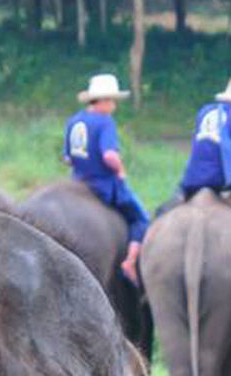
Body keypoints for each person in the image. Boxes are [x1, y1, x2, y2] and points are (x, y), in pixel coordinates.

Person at [65, 73, 149, 283]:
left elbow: (68, 158)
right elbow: (109, 155)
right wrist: (120, 170)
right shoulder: (105, 122)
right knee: (141, 218)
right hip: (102, 184)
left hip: (77, 181)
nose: (114, 106)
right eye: (112, 101)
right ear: (102, 101)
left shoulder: (74, 121)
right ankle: (130, 262)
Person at [162, 77, 231, 215]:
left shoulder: (204, 111)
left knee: (162, 212)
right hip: (221, 181)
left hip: (192, 178)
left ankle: (177, 199)